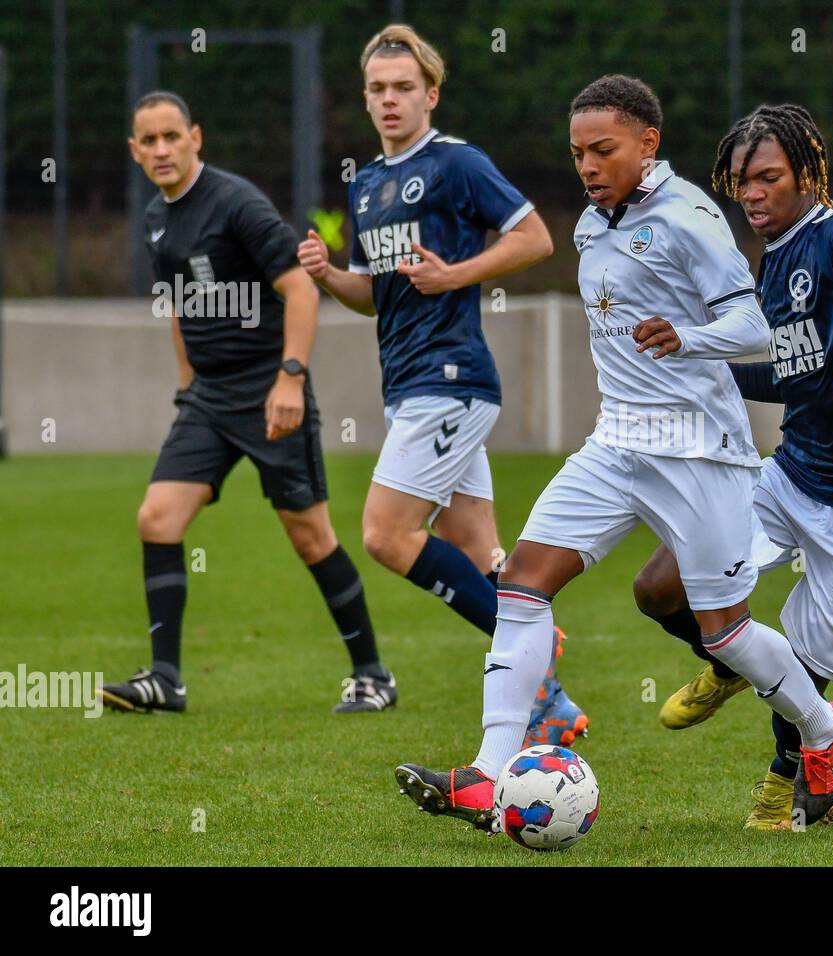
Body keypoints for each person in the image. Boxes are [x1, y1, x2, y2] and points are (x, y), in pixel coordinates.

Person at [393, 76, 833, 833]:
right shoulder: (589, 224)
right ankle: (486, 772)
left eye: (603, 149)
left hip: (700, 453)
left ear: (649, 143)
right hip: (615, 443)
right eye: (577, 152)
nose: (586, 165)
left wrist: (689, 338)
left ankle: (822, 730)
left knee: (725, 632)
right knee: (522, 585)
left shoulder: (688, 216)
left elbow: (757, 329)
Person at [633, 104, 833, 829]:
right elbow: (796, 373)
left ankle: (783, 785)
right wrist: (706, 364)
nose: (753, 193)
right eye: (741, 181)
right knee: (658, 588)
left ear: (806, 173)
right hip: (793, 474)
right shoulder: (770, 263)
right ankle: (736, 665)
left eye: (768, 177)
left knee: (806, 668)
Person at [296, 25, 586, 744]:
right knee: (480, 549)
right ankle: (549, 705)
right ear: (365, 101)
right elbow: (375, 294)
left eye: (403, 88)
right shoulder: (364, 186)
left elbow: (534, 237)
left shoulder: (456, 164)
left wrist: (454, 273)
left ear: (430, 93)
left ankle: (535, 660)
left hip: (450, 381)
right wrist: (330, 275)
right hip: (411, 387)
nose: (390, 101)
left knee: (387, 536)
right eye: (377, 90)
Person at [100, 90, 395, 714]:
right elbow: (179, 305)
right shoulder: (156, 217)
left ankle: (373, 674)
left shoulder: (236, 202)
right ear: (134, 150)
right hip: (208, 400)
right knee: (157, 518)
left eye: (170, 137)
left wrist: (290, 377)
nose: (160, 150)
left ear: (195, 137)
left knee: (311, 537)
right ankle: (165, 679)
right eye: (147, 141)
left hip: (269, 390)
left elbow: (302, 290)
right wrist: (187, 385)